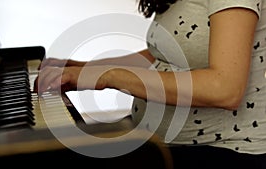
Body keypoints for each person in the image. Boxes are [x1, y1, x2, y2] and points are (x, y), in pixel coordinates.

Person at [35, 0, 266, 168]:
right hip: (157, 140)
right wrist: (83, 68)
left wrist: (108, 77)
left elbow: (225, 89)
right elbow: (160, 56)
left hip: (224, 151)